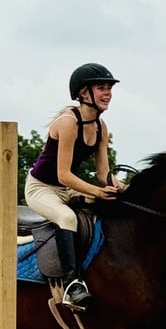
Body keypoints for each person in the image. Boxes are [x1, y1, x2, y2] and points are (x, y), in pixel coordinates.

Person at [25, 63, 126, 309]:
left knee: (111, 207)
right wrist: (96, 191)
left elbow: (104, 174)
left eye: (109, 88)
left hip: (69, 189)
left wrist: (126, 190)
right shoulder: (68, 122)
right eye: (101, 87)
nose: (108, 93)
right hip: (42, 188)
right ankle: (72, 285)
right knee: (67, 218)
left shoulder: (101, 127)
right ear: (83, 93)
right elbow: (63, 174)